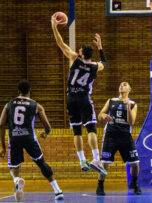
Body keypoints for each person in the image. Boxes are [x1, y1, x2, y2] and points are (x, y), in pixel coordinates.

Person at [51, 13, 107, 174]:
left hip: (70, 98)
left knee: (76, 130)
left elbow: (60, 43)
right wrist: (100, 47)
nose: (78, 50)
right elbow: (104, 63)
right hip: (83, 98)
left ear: (81, 54)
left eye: (80, 49)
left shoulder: (74, 58)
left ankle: (82, 160)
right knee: (90, 129)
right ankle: (96, 159)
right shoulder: (95, 66)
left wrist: (54, 27)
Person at [0, 80, 64, 201]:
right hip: (29, 137)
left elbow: (1, 125)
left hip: (14, 138)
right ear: (30, 90)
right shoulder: (36, 105)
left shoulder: (9, 104)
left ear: (18, 91)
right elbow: (48, 126)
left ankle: (17, 180)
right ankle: (57, 190)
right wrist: (45, 133)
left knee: (14, 166)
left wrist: (2, 147)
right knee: (41, 163)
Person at [96, 82, 141, 196]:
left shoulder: (132, 104)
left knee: (135, 163)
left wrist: (128, 108)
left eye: (125, 85)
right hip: (110, 135)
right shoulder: (111, 100)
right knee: (104, 162)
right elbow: (100, 114)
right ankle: (100, 186)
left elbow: (131, 122)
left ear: (129, 89)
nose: (122, 85)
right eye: (121, 84)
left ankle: (134, 183)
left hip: (125, 136)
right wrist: (104, 116)